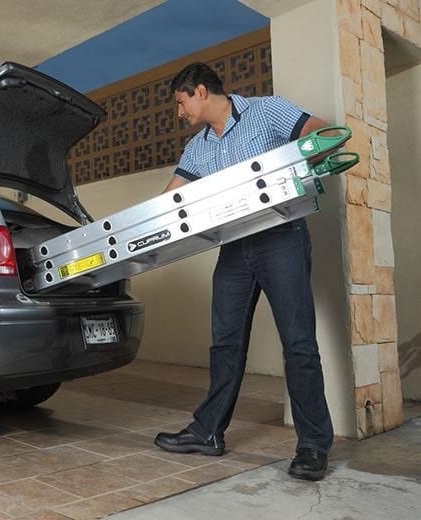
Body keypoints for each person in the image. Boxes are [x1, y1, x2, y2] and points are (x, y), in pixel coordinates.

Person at [153, 62, 333, 481]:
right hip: (233, 248)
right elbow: (170, 201)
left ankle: (312, 445)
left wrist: (287, 179)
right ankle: (208, 431)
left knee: (299, 343)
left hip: (281, 237)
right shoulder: (198, 148)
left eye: (181, 104)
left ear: (200, 91)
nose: (180, 113)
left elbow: (322, 136)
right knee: (225, 344)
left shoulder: (266, 112)